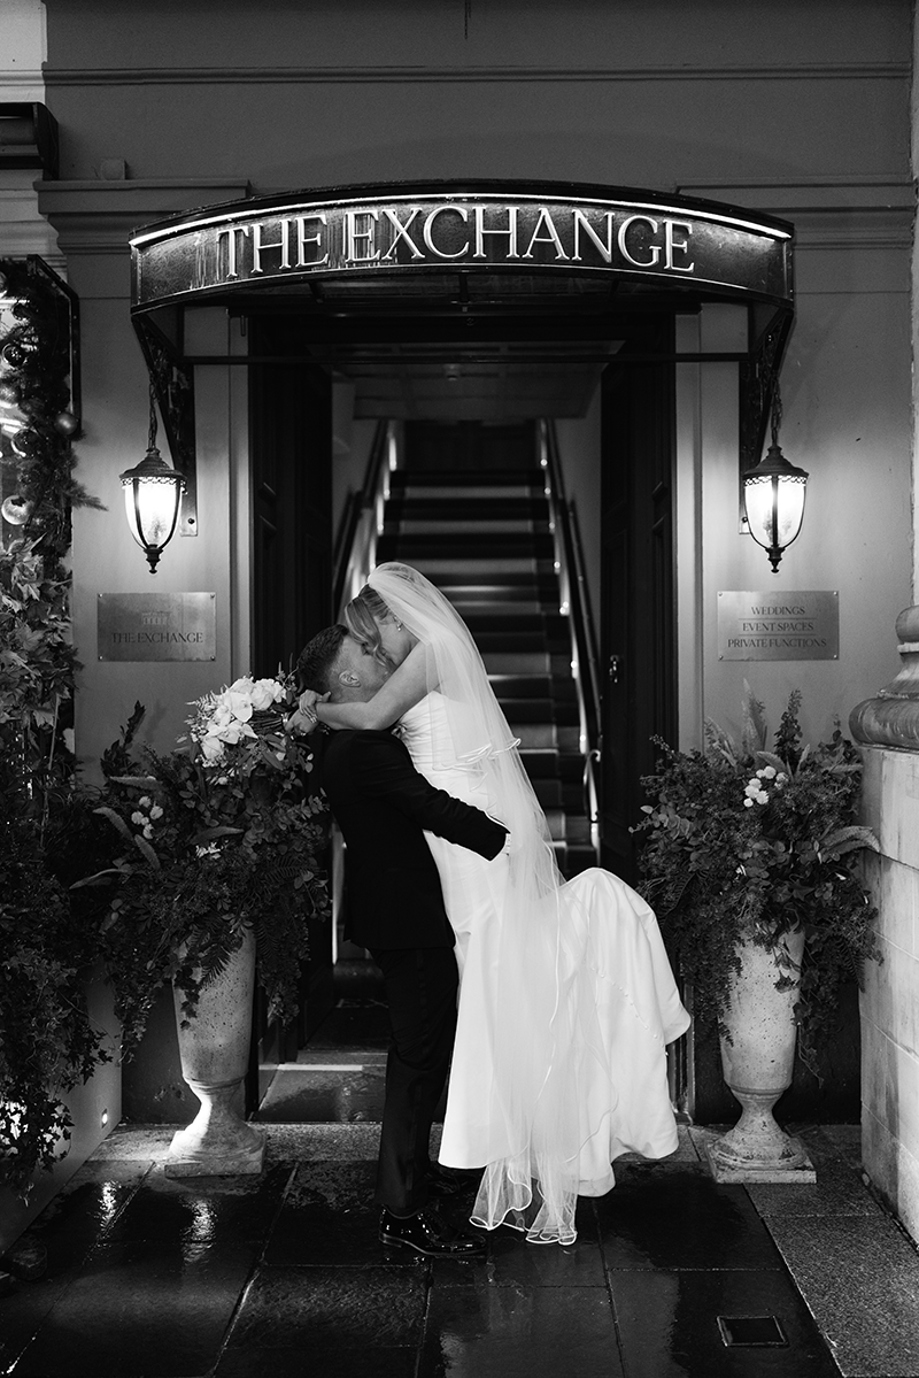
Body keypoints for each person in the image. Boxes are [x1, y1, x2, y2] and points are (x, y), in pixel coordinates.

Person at [295, 563, 691, 1247]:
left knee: (487, 993)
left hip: (463, 837)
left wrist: (306, 709)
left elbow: (367, 713)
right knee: (471, 1006)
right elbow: (383, 745)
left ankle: (475, 1152)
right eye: (364, 644)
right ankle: (463, 1157)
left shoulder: (429, 659)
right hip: (449, 846)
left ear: (394, 616)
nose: (375, 648)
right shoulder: (386, 705)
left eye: (370, 633)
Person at [294, 622, 508, 1259]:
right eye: (363, 651)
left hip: (397, 917)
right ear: (349, 680)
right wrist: (505, 840)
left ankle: (416, 1174)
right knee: (416, 1061)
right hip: (409, 922)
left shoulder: (347, 740)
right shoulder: (364, 748)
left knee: (427, 1052)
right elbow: (429, 806)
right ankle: (401, 1211)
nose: (378, 651)